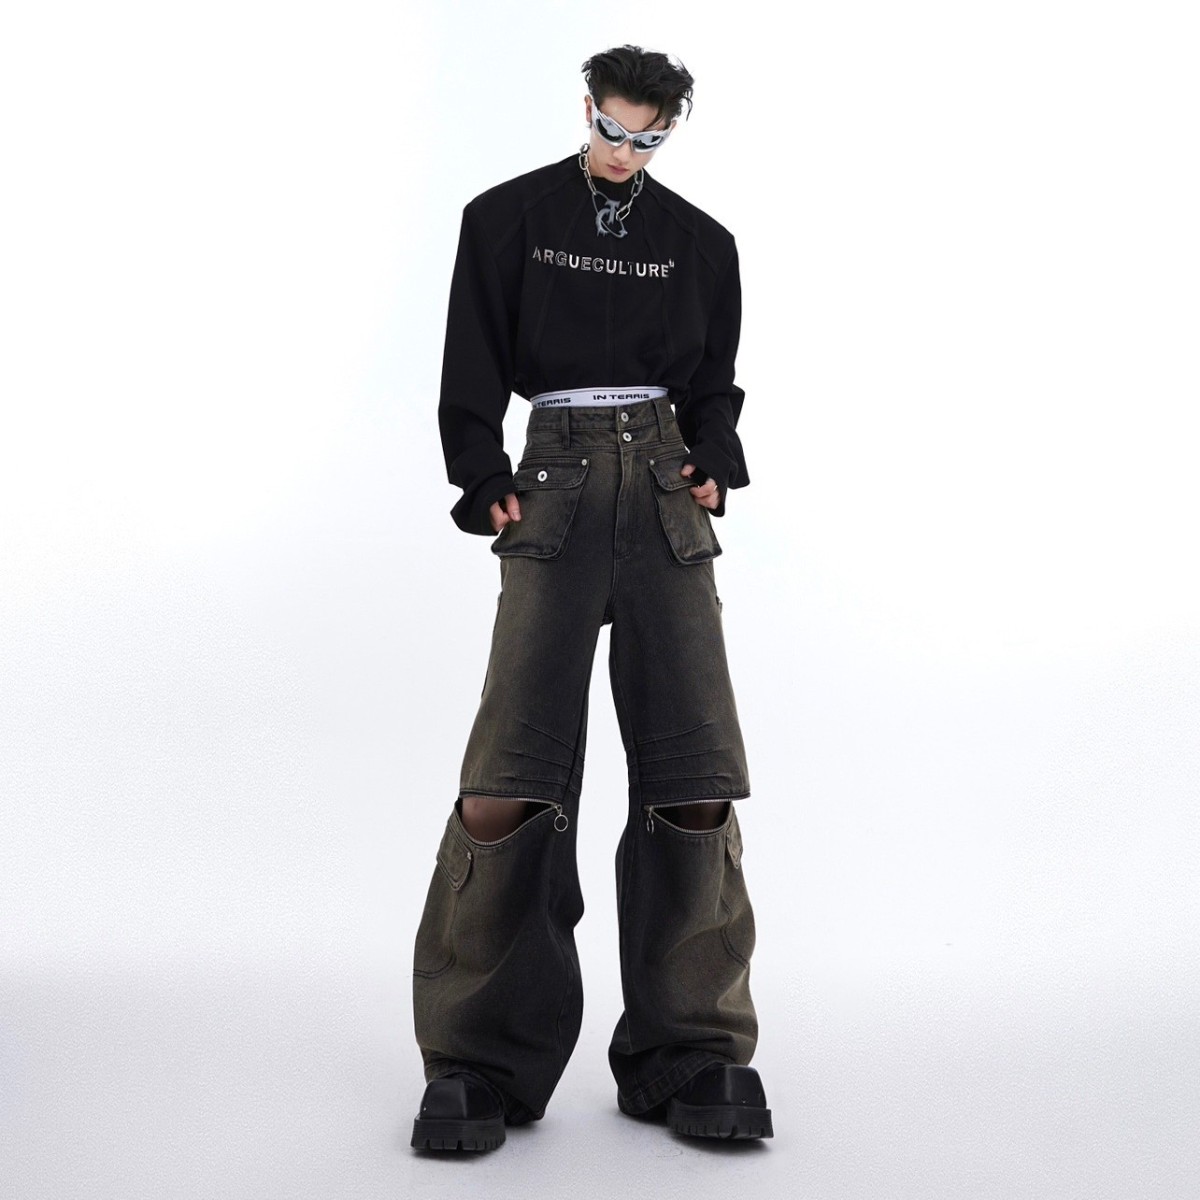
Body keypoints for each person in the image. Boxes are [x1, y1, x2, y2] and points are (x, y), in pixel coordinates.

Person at [410, 43, 772, 1152]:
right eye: (613, 130)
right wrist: (481, 474)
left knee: (694, 774)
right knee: (508, 777)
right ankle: (479, 1061)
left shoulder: (702, 243)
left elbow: (714, 386)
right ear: (587, 110)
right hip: (553, 483)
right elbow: (471, 358)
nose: (626, 153)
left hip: (664, 490)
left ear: (670, 133)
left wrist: (713, 458)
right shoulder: (506, 218)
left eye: (648, 139)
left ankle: (692, 1051)